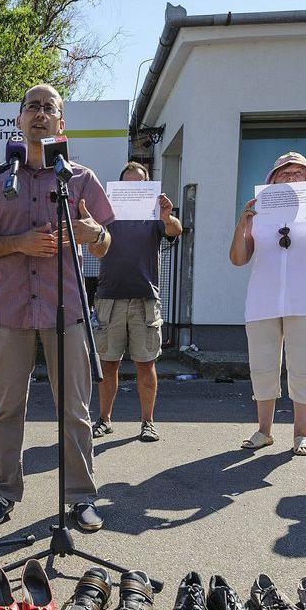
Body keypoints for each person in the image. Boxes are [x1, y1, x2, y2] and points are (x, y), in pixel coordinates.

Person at [0, 83, 115, 531]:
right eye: (32, 107)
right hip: (9, 312)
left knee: (75, 410)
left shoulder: (81, 179)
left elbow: (105, 244)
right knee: (8, 409)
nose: (40, 114)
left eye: (50, 108)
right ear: (18, 120)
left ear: (61, 123)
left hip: (66, 312)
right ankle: (4, 493)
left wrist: (91, 234)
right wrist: (19, 244)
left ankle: (81, 498)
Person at [229, 153, 306, 455]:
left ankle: (301, 434)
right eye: (284, 173)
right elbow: (239, 258)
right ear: (272, 179)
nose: (290, 178)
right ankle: (263, 431)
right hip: (262, 301)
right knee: (263, 368)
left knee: (303, 368)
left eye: (297, 173)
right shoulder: (259, 211)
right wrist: (242, 224)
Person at [93, 161, 182, 442]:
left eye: (139, 183)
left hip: (145, 299)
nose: (133, 188)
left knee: (146, 364)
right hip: (109, 297)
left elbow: (176, 230)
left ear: (146, 186)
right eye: (127, 183)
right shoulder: (106, 212)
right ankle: (104, 419)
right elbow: (95, 247)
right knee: (108, 365)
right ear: (119, 187)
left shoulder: (155, 212)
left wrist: (167, 216)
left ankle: (148, 422)